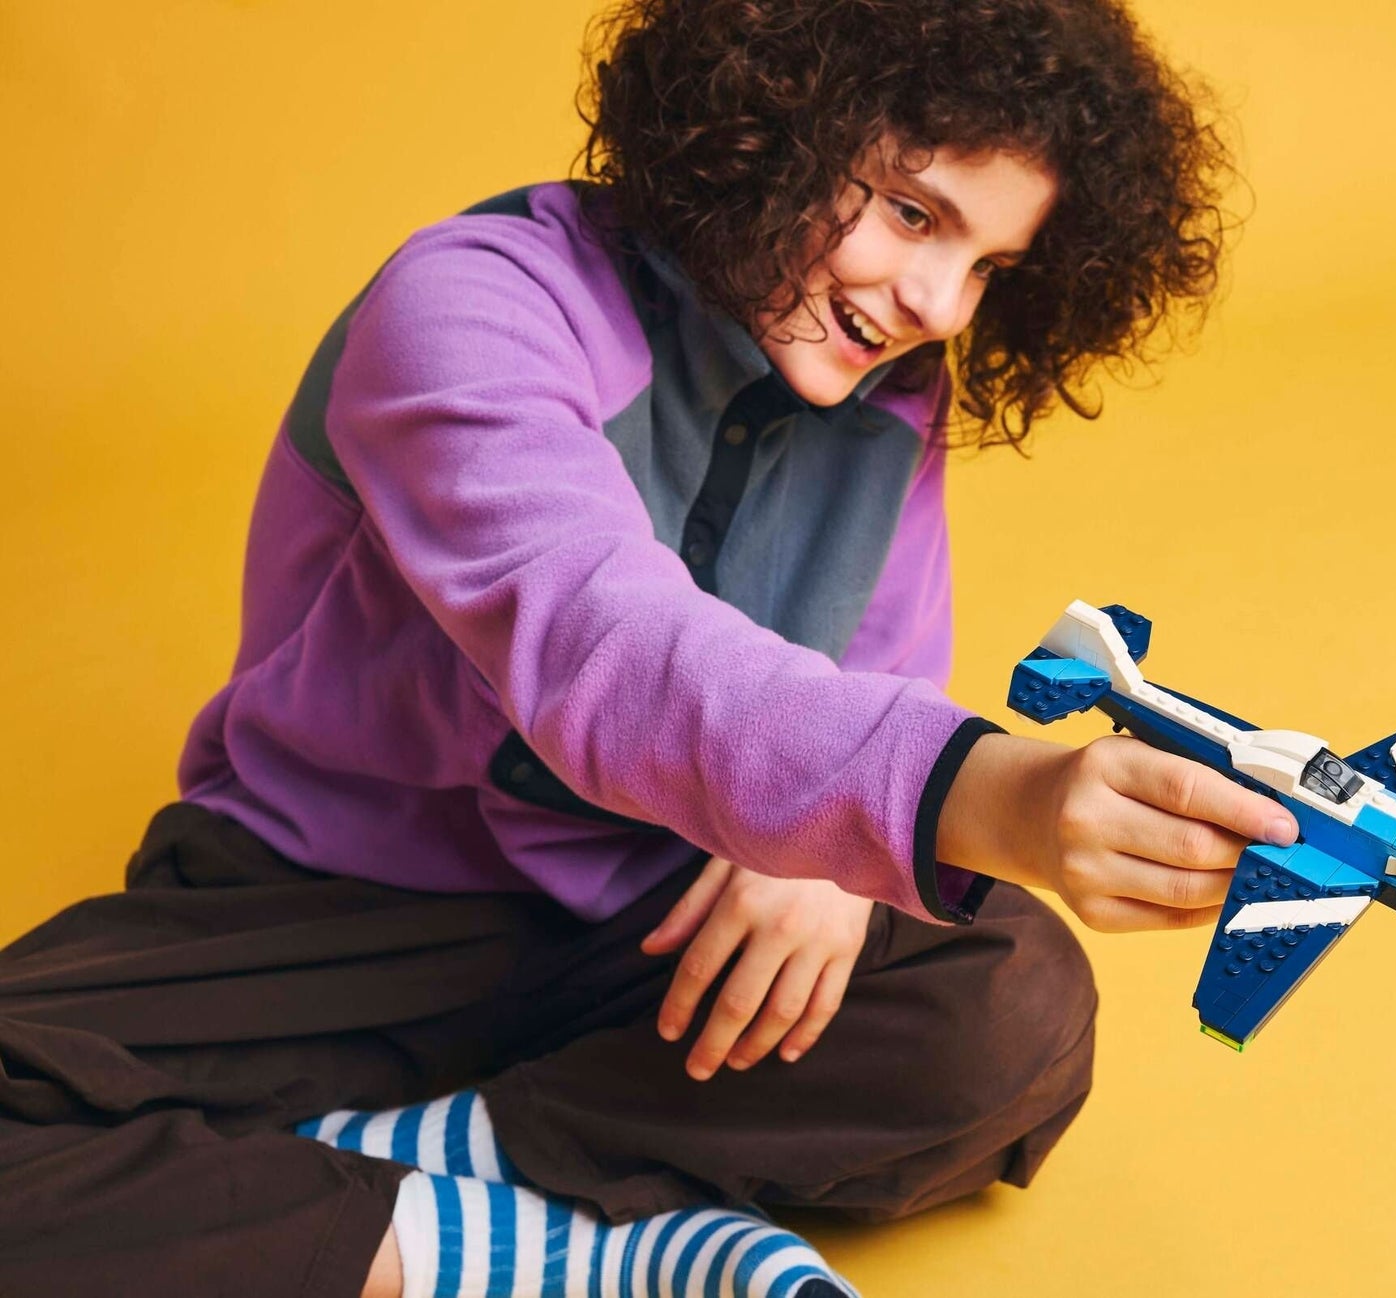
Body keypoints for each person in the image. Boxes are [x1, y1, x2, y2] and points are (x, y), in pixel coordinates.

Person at [0, 1, 1292, 1294]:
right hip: (327, 896)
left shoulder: (890, 390)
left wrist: (832, 873)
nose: (938, 305)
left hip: (654, 918)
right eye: (912, 214)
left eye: (989, 267)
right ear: (774, 123)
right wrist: (990, 795)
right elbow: (599, 651)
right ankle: (540, 1237)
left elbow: (881, 672)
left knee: (1010, 1003)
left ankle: (410, 1164)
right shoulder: (470, 301)